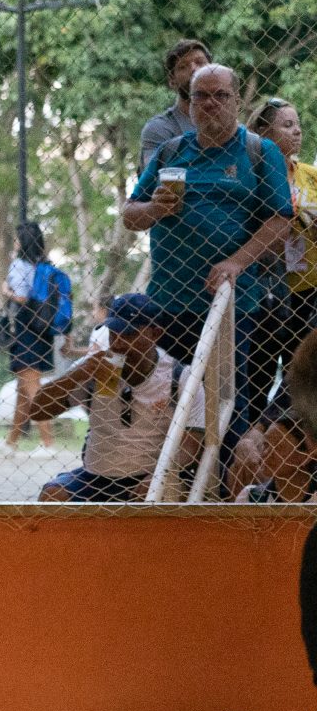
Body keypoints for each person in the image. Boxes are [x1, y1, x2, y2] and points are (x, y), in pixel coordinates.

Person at [122, 62, 293, 362]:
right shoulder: (170, 152)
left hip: (229, 302)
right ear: (190, 105)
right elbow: (130, 215)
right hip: (167, 304)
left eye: (221, 95)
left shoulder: (260, 151)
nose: (210, 103)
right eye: (200, 96)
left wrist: (236, 262)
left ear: (237, 101)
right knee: (171, 388)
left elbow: (280, 222)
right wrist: (154, 207)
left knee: (225, 389)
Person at [18, 293, 199, 503]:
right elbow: (38, 412)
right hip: (95, 477)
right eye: (114, 334)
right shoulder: (95, 367)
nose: (118, 344)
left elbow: (192, 443)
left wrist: (160, 476)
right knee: (53, 495)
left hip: (151, 475)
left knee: (159, 494)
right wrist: (76, 375)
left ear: (155, 333)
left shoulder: (179, 377)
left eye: (129, 334)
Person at [233, 97, 317, 500]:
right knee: (260, 372)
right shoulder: (253, 173)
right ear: (263, 133)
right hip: (267, 288)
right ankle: (249, 453)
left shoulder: (310, 175)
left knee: (301, 373)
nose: (296, 131)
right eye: (286, 125)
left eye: (297, 124)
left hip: (308, 289)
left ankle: (297, 459)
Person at [0, 223, 68, 455]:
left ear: (23, 242)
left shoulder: (19, 265)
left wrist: (5, 290)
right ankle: (11, 443)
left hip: (26, 330)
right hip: (42, 331)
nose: (15, 242)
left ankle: (48, 443)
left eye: (17, 239)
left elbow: (21, 297)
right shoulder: (45, 265)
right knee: (23, 389)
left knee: (33, 388)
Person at [141, 39, 212, 170]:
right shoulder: (160, 129)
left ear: (214, 71)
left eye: (200, 62)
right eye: (183, 66)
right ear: (172, 80)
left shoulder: (229, 125)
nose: (193, 69)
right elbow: (153, 177)